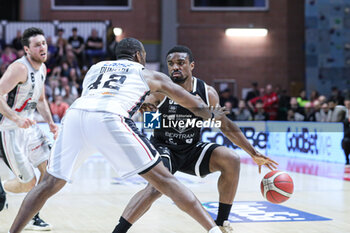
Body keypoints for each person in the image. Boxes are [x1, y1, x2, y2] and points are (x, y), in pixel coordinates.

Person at [9, 38, 230, 233]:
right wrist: (217, 117)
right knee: (166, 181)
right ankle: (213, 229)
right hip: (111, 118)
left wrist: (144, 108)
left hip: (76, 115)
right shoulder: (148, 74)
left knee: (48, 183)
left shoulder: (96, 68)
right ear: (138, 56)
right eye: (143, 56)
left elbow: (109, 96)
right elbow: (197, 106)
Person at [112, 45, 278, 233]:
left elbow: (226, 126)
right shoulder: (160, 91)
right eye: (171, 64)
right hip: (164, 147)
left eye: (180, 63)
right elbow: (146, 117)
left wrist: (253, 152)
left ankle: (222, 223)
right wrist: (145, 108)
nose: (175, 67)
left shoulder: (207, 93)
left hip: (191, 148)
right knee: (155, 188)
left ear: (192, 65)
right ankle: (119, 230)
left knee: (231, 159)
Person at [0, 27, 58, 230]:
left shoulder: (42, 68)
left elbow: (40, 99)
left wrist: (50, 122)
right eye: (37, 44)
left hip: (30, 126)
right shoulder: (19, 68)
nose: (43, 47)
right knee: (27, 184)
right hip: (10, 129)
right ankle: (2, 186)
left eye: (44, 43)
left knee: (49, 172)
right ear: (27, 49)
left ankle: (34, 216)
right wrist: (16, 118)